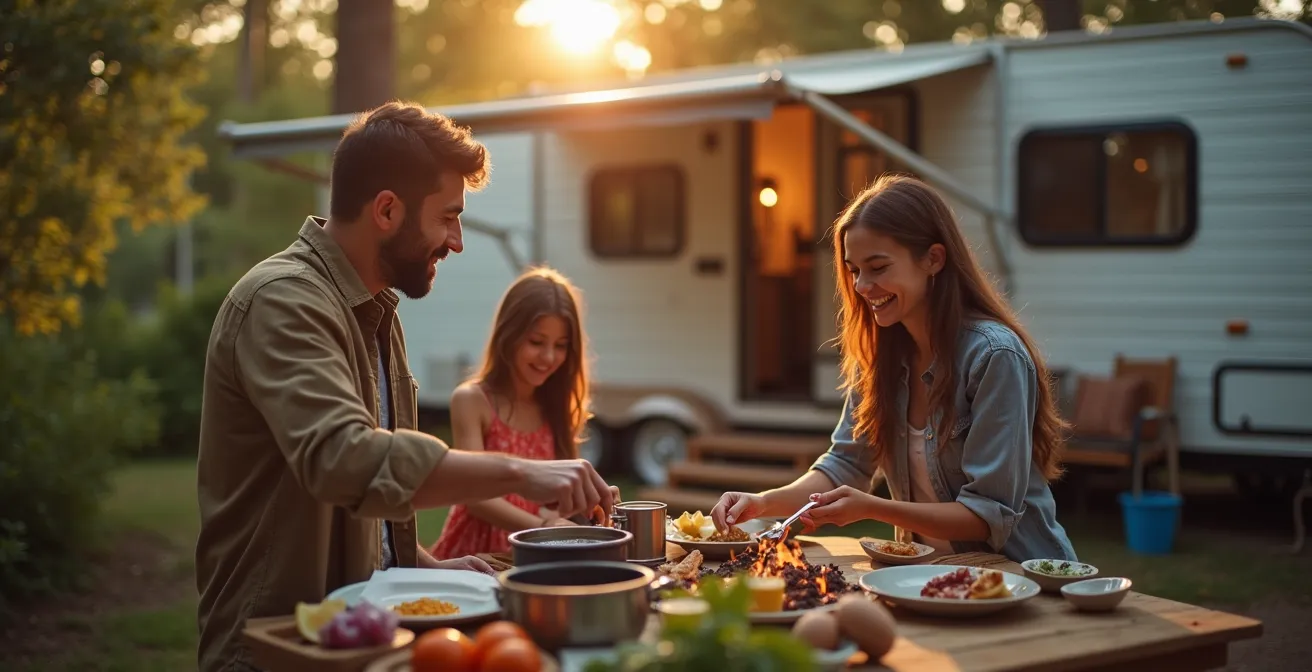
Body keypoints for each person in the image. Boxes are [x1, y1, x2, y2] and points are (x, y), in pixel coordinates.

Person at [195, 102, 614, 672]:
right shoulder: (283, 301)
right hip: (277, 647)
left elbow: (367, 496)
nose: (457, 240)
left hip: (360, 634)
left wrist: (423, 567)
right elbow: (345, 460)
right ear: (387, 210)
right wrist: (521, 472)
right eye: (448, 217)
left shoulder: (377, 312)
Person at [711, 174, 1076, 563]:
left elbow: (988, 514)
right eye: (854, 270)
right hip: (926, 574)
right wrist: (763, 503)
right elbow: (846, 464)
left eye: (878, 267)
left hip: (1020, 577)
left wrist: (873, 508)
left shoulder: (994, 356)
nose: (861, 286)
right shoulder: (879, 357)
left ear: (933, 259)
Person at [430, 267, 617, 559]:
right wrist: (544, 528)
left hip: (532, 556)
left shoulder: (556, 406)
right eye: (536, 342)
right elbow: (474, 496)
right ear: (509, 335)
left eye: (561, 346)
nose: (548, 357)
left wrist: (588, 502)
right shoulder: (472, 400)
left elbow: (555, 502)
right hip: (475, 556)